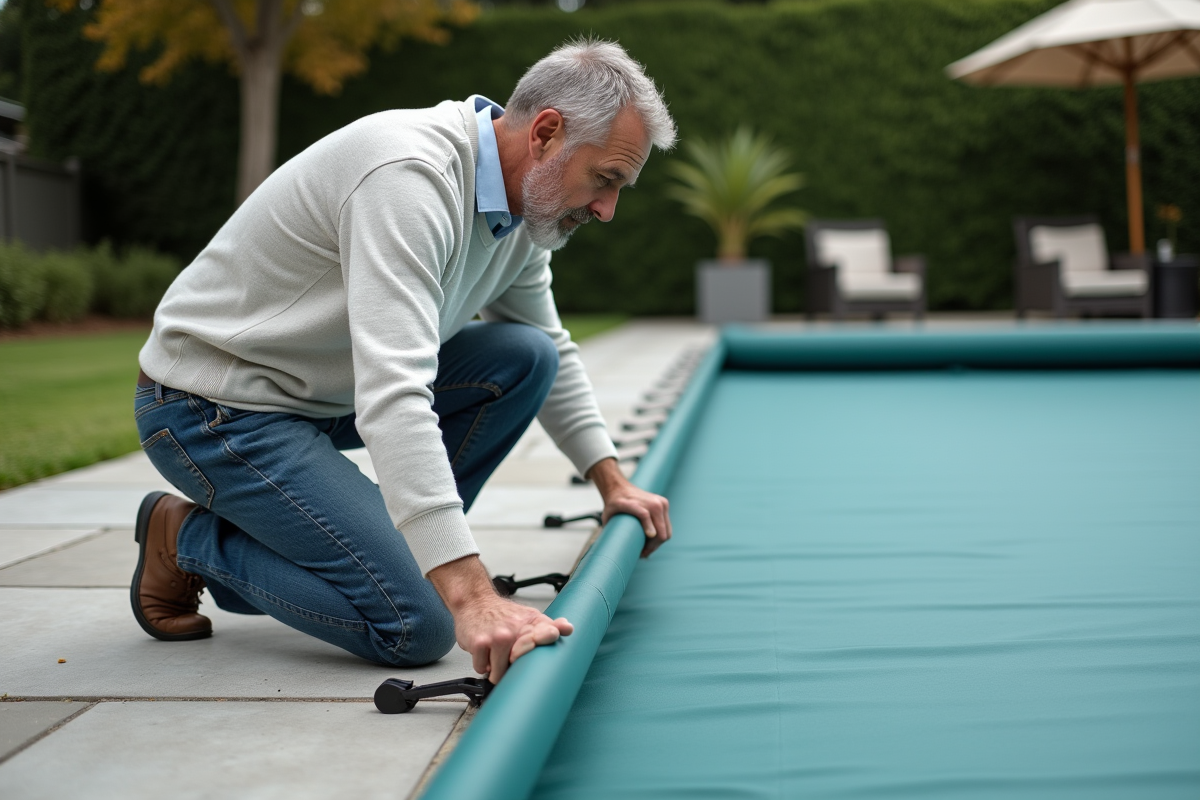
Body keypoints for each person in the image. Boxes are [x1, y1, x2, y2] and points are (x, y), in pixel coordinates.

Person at [130, 39, 677, 684]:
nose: (608, 208)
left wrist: (611, 481)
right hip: (216, 405)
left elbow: (549, 343)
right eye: (607, 178)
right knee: (415, 622)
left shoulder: (523, 215)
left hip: (324, 393)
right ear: (547, 132)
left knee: (523, 358)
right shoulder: (409, 176)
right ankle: (185, 539)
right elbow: (395, 392)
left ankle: (400, 551)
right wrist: (470, 597)